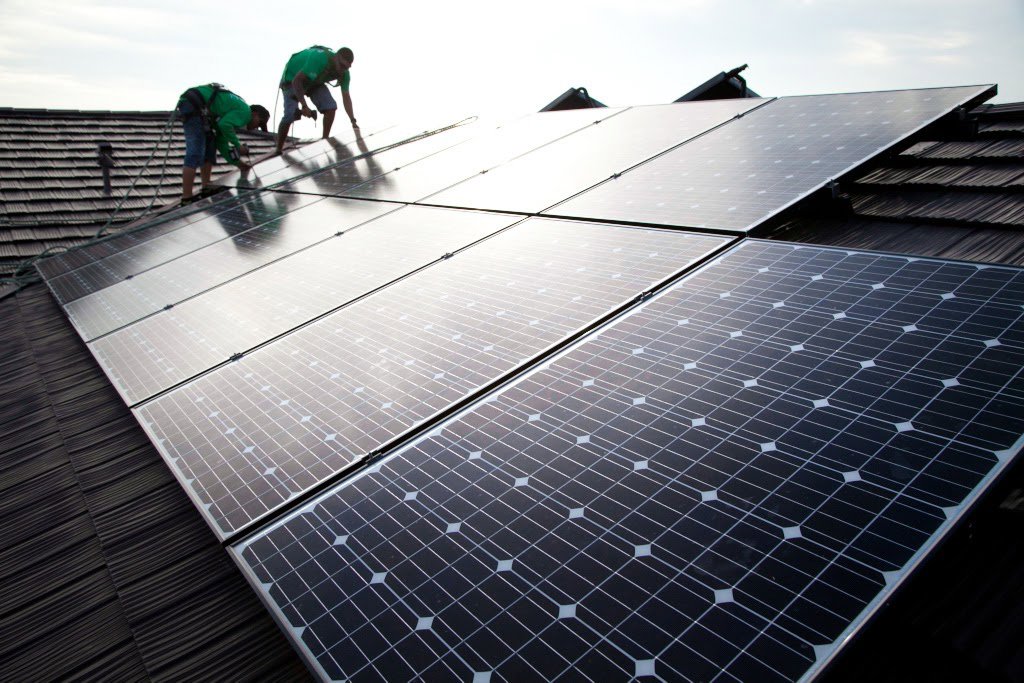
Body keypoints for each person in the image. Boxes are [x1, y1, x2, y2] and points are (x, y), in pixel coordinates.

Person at [175, 84, 270, 202]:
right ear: (255, 114)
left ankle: (206, 186)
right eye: (259, 124)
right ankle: (187, 197)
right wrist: (238, 145)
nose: (257, 128)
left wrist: (240, 164)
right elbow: (224, 125)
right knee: (196, 151)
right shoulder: (245, 112)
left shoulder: (233, 113)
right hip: (194, 104)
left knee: (210, 144)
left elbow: (222, 143)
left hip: (196, 103)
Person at [276, 46, 359, 153]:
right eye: (342, 66)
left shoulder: (344, 73)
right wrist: (304, 106)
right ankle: (278, 148)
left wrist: (352, 120)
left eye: (346, 68)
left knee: (331, 107)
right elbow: (296, 82)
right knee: (290, 115)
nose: (343, 70)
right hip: (292, 79)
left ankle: (324, 141)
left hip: (314, 81)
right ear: (336, 57)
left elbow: (346, 96)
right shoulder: (319, 59)